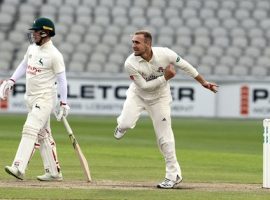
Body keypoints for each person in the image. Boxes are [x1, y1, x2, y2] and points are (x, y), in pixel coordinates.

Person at [114, 30, 218, 189]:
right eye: (133, 42)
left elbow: (185, 66)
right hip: (138, 96)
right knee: (126, 124)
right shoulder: (130, 63)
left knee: (165, 138)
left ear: (148, 44)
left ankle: (173, 176)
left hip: (160, 99)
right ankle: (121, 126)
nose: (133, 45)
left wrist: (203, 82)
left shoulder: (165, 53)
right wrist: (166, 77)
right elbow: (144, 87)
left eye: (137, 42)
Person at [0, 17, 70, 181]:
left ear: (45, 33)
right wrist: (11, 80)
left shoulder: (54, 55)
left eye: (36, 32)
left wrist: (64, 103)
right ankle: (54, 172)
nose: (33, 35)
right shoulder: (32, 48)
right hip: (30, 98)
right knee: (43, 135)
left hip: (45, 99)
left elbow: (62, 80)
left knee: (30, 128)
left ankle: (19, 167)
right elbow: (24, 65)